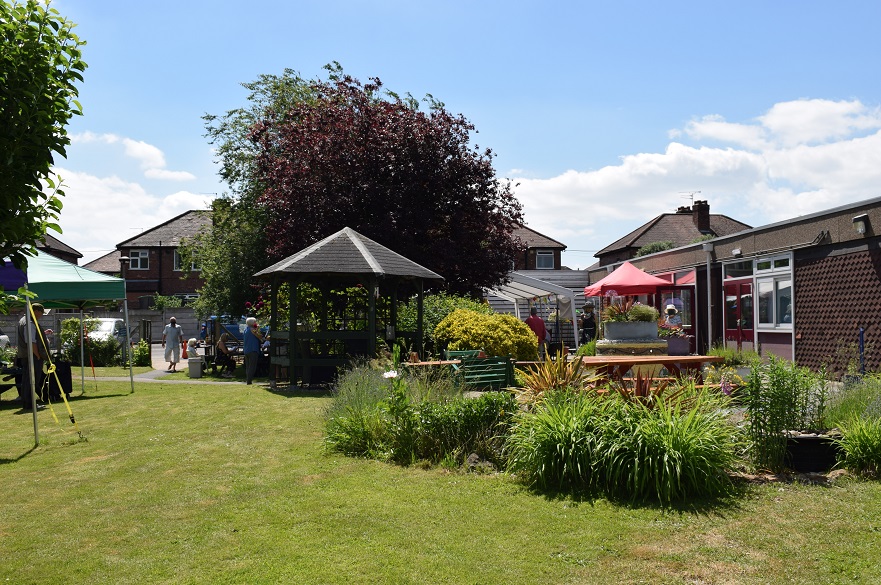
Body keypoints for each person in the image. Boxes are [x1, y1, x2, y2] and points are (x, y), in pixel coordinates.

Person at [17, 303, 49, 410]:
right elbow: (31, 341)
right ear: (36, 311)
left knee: (27, 379)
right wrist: (38, 355)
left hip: (27, 355)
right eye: (41, 313)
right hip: (32, 356)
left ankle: (28, 403)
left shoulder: (23, 320)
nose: (41, 315)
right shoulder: (29, 323)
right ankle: (30, 404)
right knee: (32, 380)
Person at [243, 317, 265, 385]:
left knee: (248, 366)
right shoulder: (252, 329)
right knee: (252, 366)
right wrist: (258, 329)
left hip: (246, 350)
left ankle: (248, 379)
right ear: (252, 323)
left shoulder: (246, 329)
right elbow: (259, 336)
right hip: (253, 349)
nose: (256, 323)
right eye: (255, 322)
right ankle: (249, 381)